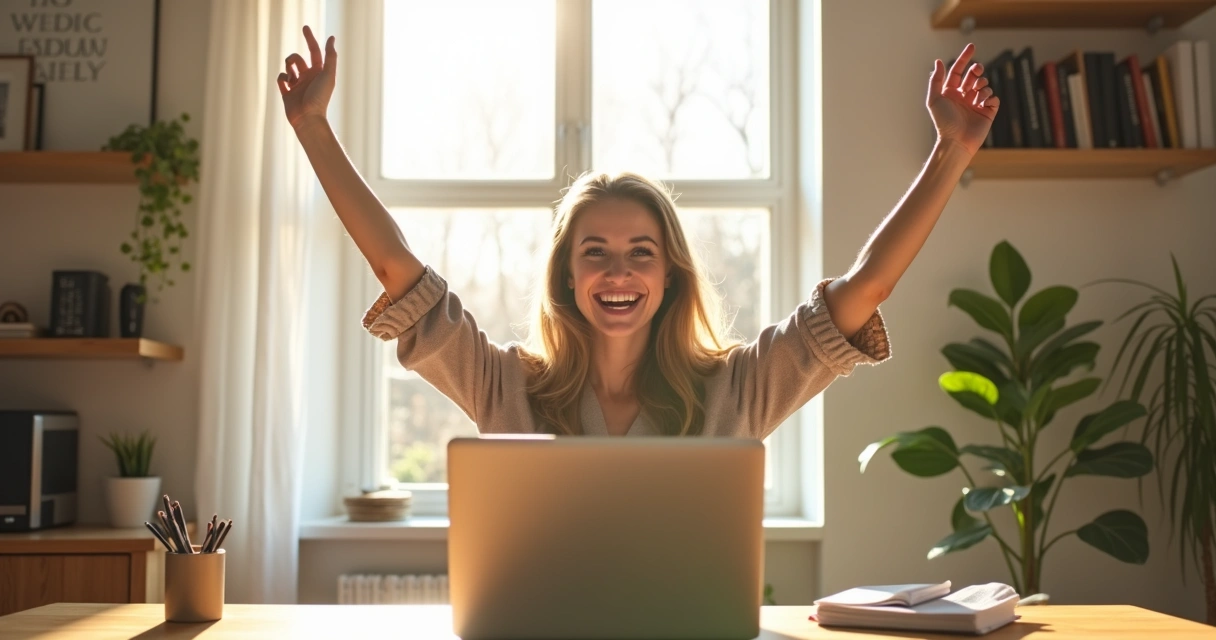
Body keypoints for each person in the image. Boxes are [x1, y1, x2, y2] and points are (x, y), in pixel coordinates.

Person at [277, 26, 997, 438]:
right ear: (567, 275)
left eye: (640, 254)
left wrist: (952, 153)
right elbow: (395, 267)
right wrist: (312, 129)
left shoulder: (739, 389)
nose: (618, 273)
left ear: (670, 275)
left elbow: (866, 289)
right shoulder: (503, 385)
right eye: (596, 254)